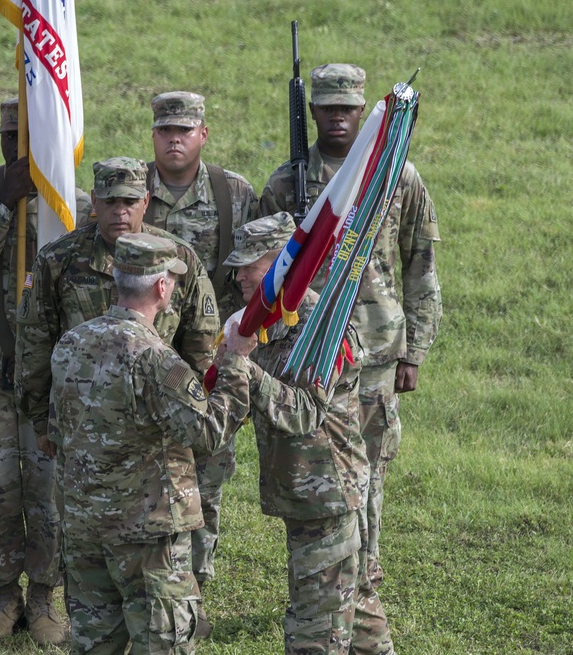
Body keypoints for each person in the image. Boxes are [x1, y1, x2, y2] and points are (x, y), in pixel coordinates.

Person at [256, 63, 442, 588]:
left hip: (378, 346)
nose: (338, 117)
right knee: (319, 466)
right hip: (314, 350)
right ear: (312, 111)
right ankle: (323, 572)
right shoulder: (286, 182)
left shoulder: (396, 175)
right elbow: (266, 274)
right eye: (327, 108)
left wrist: (415, 350)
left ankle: (366, 570)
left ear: (364, 111)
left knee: (371, 467)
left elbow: (420, 264)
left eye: (347, 108)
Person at [51, 233, 251, 654]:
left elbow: (59, 430)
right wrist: (235, 360)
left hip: (84, 525)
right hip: (148, 537)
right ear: (162, 288)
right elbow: (209, 432)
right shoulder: (156, 359)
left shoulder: (70, 344)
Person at [0, 98, 88, 645]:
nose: (19, 148)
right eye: (10, 137)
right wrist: (6, 198)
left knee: (49, 486)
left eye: (28, 138)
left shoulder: (70, 200)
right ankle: (4, 597)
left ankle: (46, 598)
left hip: (50, 373)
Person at [222, 213, 393, 654]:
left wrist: (242, 366)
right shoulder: (266, 321)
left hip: (328, 496)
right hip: (304, 492)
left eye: (249, 266)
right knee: (356, 608)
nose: (238, 275)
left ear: (284, 265)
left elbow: (304, 414)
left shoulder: (321, 329)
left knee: (314, 630)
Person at [143, 90, 260, 633]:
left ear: (202, 135)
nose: (174, 139)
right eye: (166, 130)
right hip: (147, 363)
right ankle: (147, 588)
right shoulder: (133, 191)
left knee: (205, 483)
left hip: (211, 366)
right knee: (145, 478)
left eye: (184, 131)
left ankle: (194, 590)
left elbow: (258, 274)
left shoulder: (233, 193)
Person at [16, 156, 220, 464]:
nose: (120, 211)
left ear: (146, 201)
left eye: (130, 200)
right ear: (95, 200)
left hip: (160, 415)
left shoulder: (178, 259)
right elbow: (35, 340)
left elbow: (200, 341)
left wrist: (197, 410)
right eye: (110, 201)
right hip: (83, 418)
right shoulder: (59, 260)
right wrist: (41, 418)